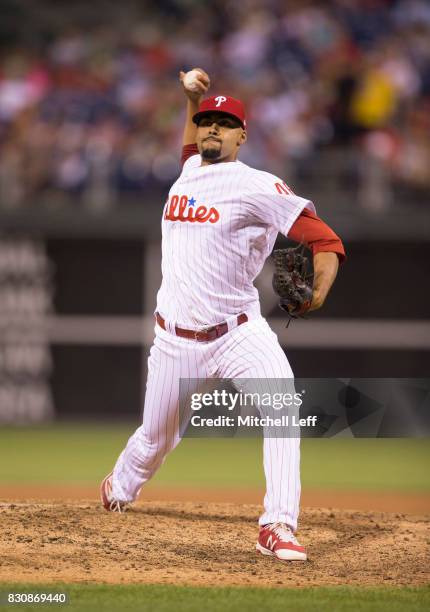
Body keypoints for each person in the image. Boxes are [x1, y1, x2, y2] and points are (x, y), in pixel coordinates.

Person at [101, 68, 345, 563]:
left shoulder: (256, 185)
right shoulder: (190, 171)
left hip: (238, 332)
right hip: (174, 341)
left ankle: (277, 524)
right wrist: (193, 100)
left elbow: (325, 240)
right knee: (155, 439)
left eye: (224, 123)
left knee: (283, 410)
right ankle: (119, 486)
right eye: (208, 121)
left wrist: (317, 292)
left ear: (242, 135)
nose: (212, 128)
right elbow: (191, 147)